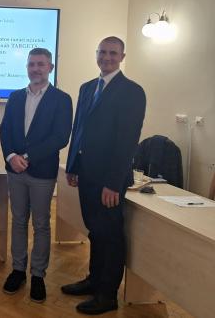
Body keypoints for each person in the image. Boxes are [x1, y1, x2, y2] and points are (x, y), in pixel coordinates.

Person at [62, 36, 146, 315]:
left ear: (122, 57)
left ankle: (107, 295)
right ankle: (94, 280)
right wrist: (72, 165)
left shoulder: (132, 91)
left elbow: (127, 142)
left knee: (110, 235)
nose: (107, 57)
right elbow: (79, 129)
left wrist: (113, 183)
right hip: (86, 174)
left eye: (113, 53)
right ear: (96, 54)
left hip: (109, 180)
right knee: (94, 230)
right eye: (102, 52)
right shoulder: (87, 88)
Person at [0, 48, 72, 302]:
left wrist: (27, 157)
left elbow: (60, 137)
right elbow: (5, 130)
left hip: (42, 172)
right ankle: (18, 270)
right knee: (18, 221)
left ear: (50, 67)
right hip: (15, 170)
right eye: (32, 64)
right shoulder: (16, 97)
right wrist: (11, 156)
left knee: (41, 224)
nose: (36, 68)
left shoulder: (62, 99)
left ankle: (38, 275)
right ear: (27, 67)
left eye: (41, 64)